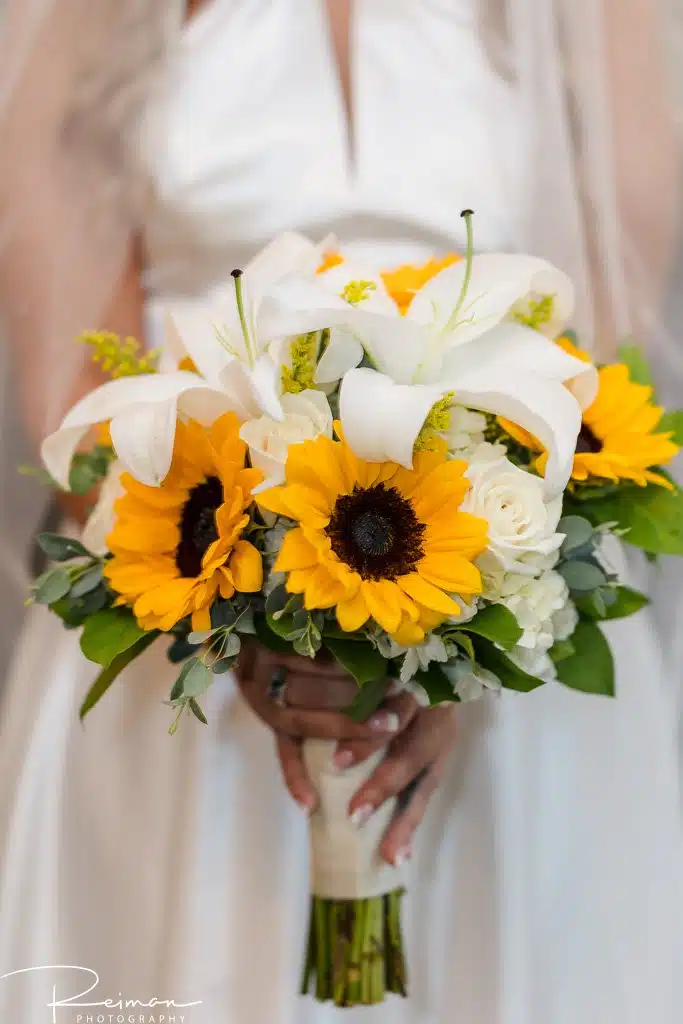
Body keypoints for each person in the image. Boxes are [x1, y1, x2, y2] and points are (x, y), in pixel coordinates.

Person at [0, 1, 682, 1021]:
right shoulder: (96, 18)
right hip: (182, 612)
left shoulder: (585, 17)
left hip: (511, 652)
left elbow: (602, 363)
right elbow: (81, 405)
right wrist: (249, 620)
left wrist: (457, 643)